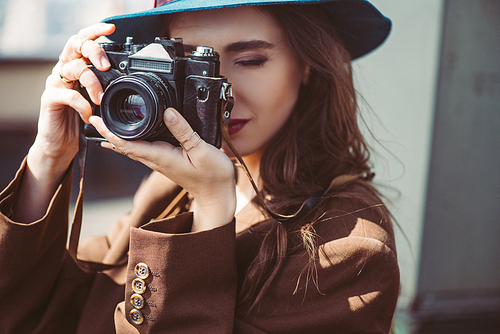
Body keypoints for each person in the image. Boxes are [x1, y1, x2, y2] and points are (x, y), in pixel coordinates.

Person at [0, 0, 400, 333]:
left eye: (250, 60)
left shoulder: (349, 248)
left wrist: (211, 211)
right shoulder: (170, 189)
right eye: (192, 61)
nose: (221, 90)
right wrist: (49, 159)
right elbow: (43, 311)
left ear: (309, 62)